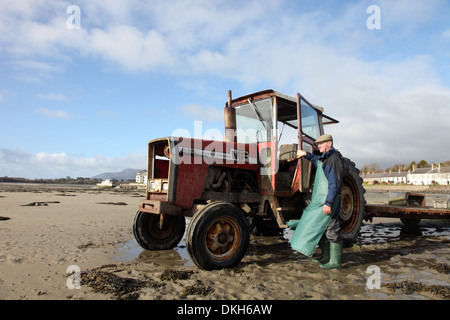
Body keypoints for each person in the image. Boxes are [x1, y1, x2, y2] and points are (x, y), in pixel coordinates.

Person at [291, 134, 344, 269]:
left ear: (329, 144)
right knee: (323, 228)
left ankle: (335, 262)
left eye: (321, 144)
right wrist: (305, 154)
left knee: (332, 229)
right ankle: (326, 257)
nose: (318, 146)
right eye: (317, 144)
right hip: (322, 202)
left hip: (329, 202)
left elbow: (334, 184)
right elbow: (316, 160)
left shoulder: (333, 160)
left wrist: (329, 203)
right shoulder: (324, 159)